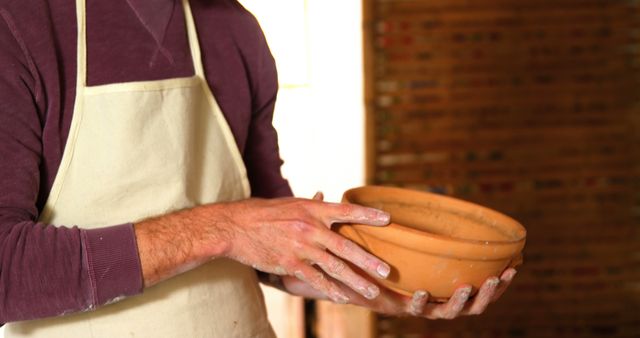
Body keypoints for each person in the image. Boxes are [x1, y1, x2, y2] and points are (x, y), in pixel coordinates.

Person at [0, 0, 517, 337]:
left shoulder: (233, 30)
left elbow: (266, 240)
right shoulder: (20, 26)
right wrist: (223, 229)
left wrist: (378, 284)